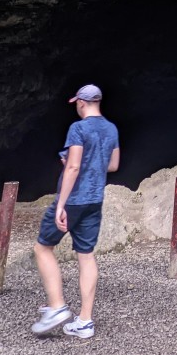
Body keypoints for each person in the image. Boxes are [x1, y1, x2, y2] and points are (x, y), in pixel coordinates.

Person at [32, 84, 120, 340]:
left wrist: (61, 204)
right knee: (86, 255)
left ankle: (58, 306)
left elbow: (72, 167)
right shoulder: (111, 128)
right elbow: (112, 164)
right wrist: (92, 163)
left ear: (81, 102)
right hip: (95, 199)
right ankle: (84, 322)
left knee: (43, 247)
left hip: (73, 200)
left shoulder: (78, 129)